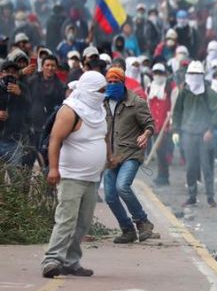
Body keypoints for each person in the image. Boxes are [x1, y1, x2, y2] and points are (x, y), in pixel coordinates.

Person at [41, 71, 108, 278]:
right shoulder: (70, 111)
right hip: (71, 176)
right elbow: (55, 139)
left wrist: (109, 157)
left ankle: (71, 261)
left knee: (83, 222)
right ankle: (52, 260)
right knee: (66, 219)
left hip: (92, 177)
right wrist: (53, 168)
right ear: (88, 90)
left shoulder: (99, 110)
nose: (103, 94)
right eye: (100, 90)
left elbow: (102, 137)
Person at [102, 67, 156, 244]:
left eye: (115, 82)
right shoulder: (102, 103)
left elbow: (150, 124)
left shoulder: (136, 102)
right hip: (111, 156)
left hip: (131, 153)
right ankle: (127, 230)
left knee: (122, 186)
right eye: (109, 82)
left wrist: (145, 135)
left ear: (123, 82)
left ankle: (143, 222)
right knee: (109, 195)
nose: (112, 85)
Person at [173, 61, 217, 208]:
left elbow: (216, 112)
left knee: (207, 168)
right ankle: (192, 196)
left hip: (204, 135)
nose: (195, 77)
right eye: (192, 74)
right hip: (188, 134)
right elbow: (177, 112)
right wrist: (176, 130)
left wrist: (210, 130)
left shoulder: (209, 93)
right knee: (190, 168)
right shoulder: (184, 92)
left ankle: (210, 197)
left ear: (202, 75)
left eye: (198, 74)